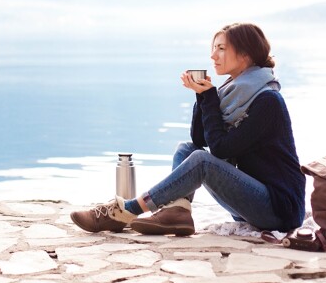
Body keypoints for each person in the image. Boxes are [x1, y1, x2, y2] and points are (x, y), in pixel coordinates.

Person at [70, 22, 305, 235]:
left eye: (221, 48)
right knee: (187, 149)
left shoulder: (267, 100)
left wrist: (210, 98)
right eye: (213, 48)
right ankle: (177, 213)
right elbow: (200, 139)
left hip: (279, 209)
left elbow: (221, 149)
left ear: (245, 54)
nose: (213, 55)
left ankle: (127, 210)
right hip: (252, 203)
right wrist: (202, 97)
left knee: (202, 161)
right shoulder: (234, 93)